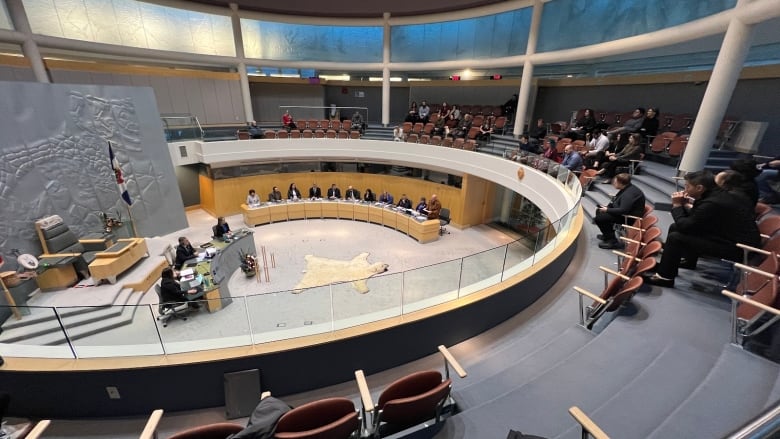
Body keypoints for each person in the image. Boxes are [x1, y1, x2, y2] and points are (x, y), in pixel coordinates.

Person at [644, 170, 761, 287]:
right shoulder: (713, 195)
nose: (685, 189)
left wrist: (677, 206)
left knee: (676, 238)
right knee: (675, 227)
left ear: (699, 188)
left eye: (687, 186)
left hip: (739, 248)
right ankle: (681, 262)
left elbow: (685, 226)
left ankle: (665, 278)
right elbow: (694, 221)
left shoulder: (712, 202)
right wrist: (684, 205)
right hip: (726, 237)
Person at [594, 173, 646, 249]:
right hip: (624, 213)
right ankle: (607, 235)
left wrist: (607, 210)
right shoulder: (627, 188)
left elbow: (623, 210)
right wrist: (607, 207)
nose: (613, 184)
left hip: (629, 218)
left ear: (620, 183)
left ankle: (612, 241)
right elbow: (617, 202)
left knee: (600, 218)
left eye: (615, 182)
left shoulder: (629, 194)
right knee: (599, 211)